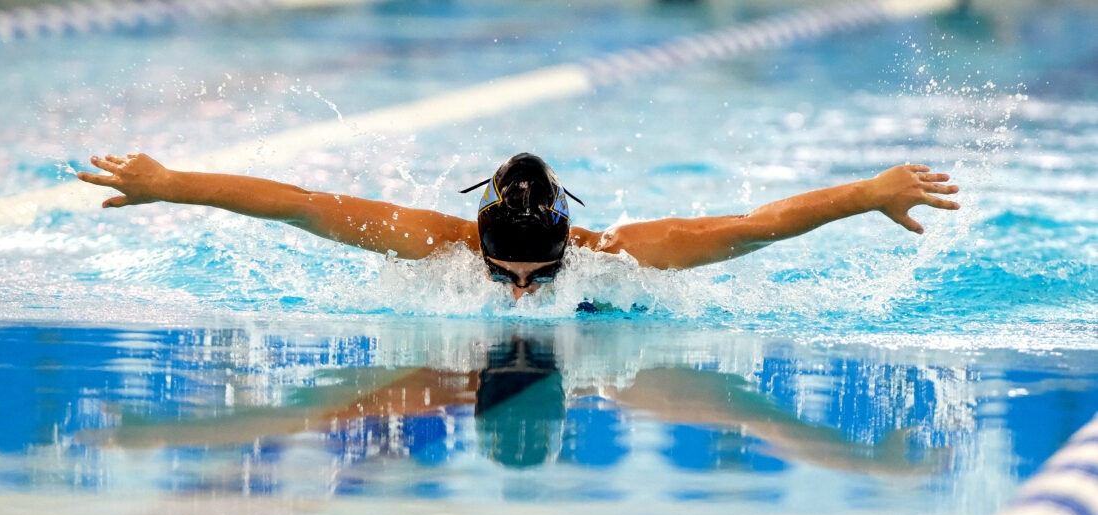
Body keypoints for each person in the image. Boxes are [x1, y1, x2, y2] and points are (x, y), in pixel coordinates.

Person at [76, 152, 960, 300]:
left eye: (538, 274)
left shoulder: (627, 256)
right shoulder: (432, 241)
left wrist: (870, 191)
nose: (523, 290)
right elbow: (304, 207)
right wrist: (172, 184)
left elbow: (756, 226)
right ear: (478, 244)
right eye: (504, 276)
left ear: (577, 243)